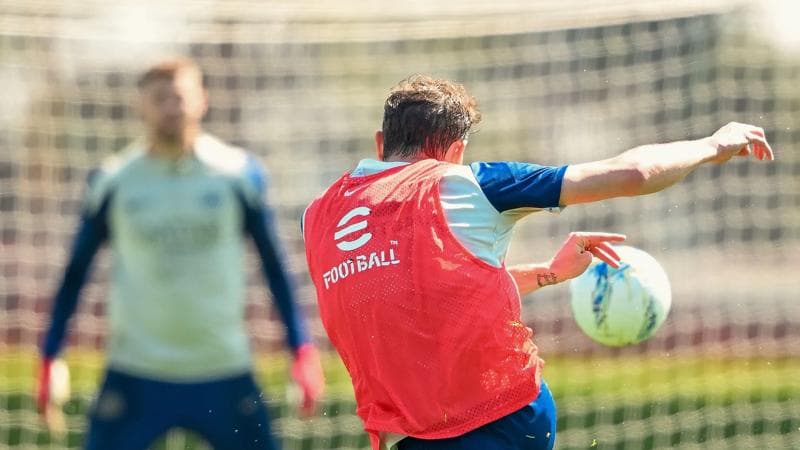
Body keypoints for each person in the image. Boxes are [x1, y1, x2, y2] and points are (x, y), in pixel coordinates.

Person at [301, 75, 773, 450]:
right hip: (462, 424)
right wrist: (715, 144)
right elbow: (633, 172)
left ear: (381, 143)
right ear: (456, 151)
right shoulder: (468, 183)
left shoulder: (317, 215)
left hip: (493, 424)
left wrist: (548, 273)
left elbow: (408, 292)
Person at [37, 57, 325, 450]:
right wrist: (50, 353)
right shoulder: (114, 181)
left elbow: (275, 268)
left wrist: (302, 349)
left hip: (222, 369)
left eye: (180, 96)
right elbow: (76, 273)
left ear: (202, 100)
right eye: (160, 98)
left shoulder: (239, 175)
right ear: (142, 106)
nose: (172, 107)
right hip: (136, 370)